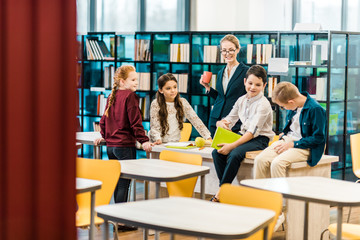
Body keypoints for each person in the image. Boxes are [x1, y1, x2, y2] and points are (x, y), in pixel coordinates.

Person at [94, 65, 152, 231]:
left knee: (119, 183)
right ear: (122, 81)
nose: (136, 82)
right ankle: (120, 221)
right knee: (123, 185)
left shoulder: (112, 95)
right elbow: (135, 122)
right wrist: (144, 140)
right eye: (133, 80)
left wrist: (105, 136)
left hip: (111, 147)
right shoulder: (130, 96)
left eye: (137, 79)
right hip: (125, 146)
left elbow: (103, 121)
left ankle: (116, 218)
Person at [211, 65, 274, 202]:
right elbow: (229, 119)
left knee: (234, 153)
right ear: (245, 82)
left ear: (264, 85)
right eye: (250, 83)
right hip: (243, 136)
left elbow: (252, 132)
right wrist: (221, 123)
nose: (252, 87)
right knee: (216, 152)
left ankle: (221, 193)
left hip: (260, 139)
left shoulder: (263, 104)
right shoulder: (241, 100)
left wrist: (232, 145)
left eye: (257, 85)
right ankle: (226, 191)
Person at [254, 81, 327, 178]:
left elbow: (318, 138)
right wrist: (284, 134)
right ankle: (261, 192)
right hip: (287, 141)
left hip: (305, 147)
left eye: (283, 106)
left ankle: (278, 193)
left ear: (291, 102)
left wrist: (293, 144)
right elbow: (291, 128)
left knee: (277, 163)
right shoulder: (294, 106)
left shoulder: (315, 109)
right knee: (260, 160)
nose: (283, 108)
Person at [199, 34, 249, 137]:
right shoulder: (221, 72)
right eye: (224, 50)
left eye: (231, 50)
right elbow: (222, 97)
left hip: (233, 120)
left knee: (230, 151)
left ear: (238, 49)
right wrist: (208, 88)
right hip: (216, 118)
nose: (227, 53)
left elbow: (248, 98)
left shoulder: (246, 71)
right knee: (213, 150)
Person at [149, 73, 211, 144]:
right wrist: (158, 139)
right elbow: (154, 127)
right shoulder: (156, 103)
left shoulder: (183, 102)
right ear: (161, 90)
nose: (173, 90)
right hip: (158, 143)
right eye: (168, 88)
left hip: (175, 143)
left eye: (175, 87)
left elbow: (196, 120)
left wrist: (207, 137)